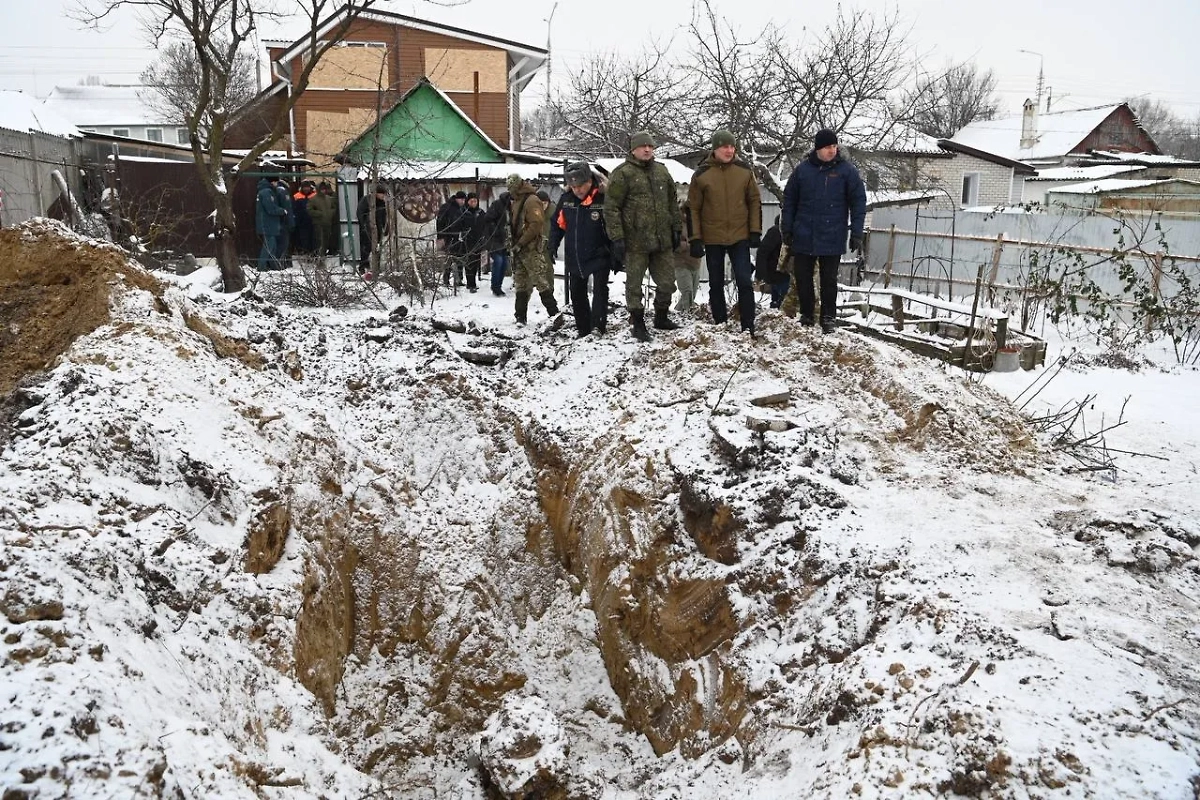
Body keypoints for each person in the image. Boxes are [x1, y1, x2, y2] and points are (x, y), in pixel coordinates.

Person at [781, 128, 867, 333]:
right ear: (818, 148)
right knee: (803, 277)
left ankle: (828, 317)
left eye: (834, 146)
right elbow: (790, 201)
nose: (832, 150)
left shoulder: (846, 171)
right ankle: (807, 314)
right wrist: (787, 230)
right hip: (804, 233)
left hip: (833, 234)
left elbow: (858, 202)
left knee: (829, 280)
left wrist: (856, 231)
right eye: (828, 147)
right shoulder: (802, 171)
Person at [603, 130, 682, 342]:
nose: (647, 150)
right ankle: (637, 323)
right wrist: (617, 237)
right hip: (635, 241)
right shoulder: (623, 173)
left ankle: (661, 317)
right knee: (634, 286)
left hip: (662, 240)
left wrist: (676, 228)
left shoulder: (662, 172)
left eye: (650, 146)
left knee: (667, 282)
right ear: (633, 149)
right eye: (642, 146)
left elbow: (672, 202)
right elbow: (611, 208)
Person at [687, 129, 763, 336]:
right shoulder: (702, 174)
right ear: (715, 149)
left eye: (732, 146)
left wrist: (755, 230)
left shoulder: (744, 170)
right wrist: (695, 238)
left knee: (744, 280)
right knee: (715, 282)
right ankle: (720, 321)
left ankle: (748, 325)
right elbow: (693, 207)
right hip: (713, 237)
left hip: (740, 235)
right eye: (725, 147)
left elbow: (754, 200)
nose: (730, 150)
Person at [549, 162, 613, 338]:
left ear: (589, 181)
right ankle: (583, 329)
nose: (577, 190)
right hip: (575, 254)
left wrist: (617, 250)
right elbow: (557, 225)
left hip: (600, 253)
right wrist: (552, 245)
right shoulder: (567, 200)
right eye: (573, 186)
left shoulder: (603, 198)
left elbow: (614, 227)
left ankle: (598, 327)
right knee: (577, 293)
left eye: (581, 186)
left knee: (600, 290)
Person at [506, 173, 559, 325]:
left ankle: (554, 313)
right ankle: (520, 317)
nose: (510, 192)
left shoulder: (531, 200)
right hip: (519, 248)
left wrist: (521, 243)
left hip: (530, 248)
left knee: (541, 281)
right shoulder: (518, 200)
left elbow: (536, 225)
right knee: (521, 283)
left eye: (511, 189)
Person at [477, 192, 511, 296]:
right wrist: (496, 230)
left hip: (503, 238)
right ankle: (495, 287)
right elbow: (487, 219)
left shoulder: (510, 208)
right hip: (493, 238)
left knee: (504, 263)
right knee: (499, 261)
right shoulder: (497, 205)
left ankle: (498, 285)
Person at [436, 190, 471, 288]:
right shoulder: (447, 207)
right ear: (457, 198)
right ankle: (446, 280)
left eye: (464, 200)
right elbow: (440, 222)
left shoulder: (461, 208)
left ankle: (458, 279)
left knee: (459, 258)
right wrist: (441, 236)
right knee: (449, 258)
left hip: (458, 236)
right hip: (448, 236)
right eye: (461, 199)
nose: (463, 201)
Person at [755, 215, 789, 308]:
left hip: (776, 273)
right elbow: (763, 252)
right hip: (781, 273)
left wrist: (760, 274)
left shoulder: (775, 231)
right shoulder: (777, 232)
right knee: (782, 300)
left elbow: (762, 252)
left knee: (778, 300)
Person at [675, 199, 701, 314]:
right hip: (680, 262)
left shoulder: (698, 222)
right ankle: (687, 317)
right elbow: (673, 243)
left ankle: (676, 313)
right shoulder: (676, 223)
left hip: (695, 262)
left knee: (692, 295)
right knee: (687, 292)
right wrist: (688, 245)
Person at [356, 184, 389, 277]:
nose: (383, 196)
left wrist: (386, 227)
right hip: (367, 228)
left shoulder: (381, 203)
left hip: (377, 229)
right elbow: (360, 212)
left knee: (377, 249)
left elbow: (384, 216)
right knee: (366, 248)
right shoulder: (366, 200)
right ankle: (363, 267)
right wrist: (363, 226)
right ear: (376, 193)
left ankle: (375, 268)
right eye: (381, 194)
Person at [255, 175, 285, 271]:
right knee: (268, 247)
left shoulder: (264, 191)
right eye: (276, 182)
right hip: (268, 224)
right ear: (272, 182)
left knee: (272, 246)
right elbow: (271, 209)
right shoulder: (267, 192)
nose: (277, 184)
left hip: (267, 223)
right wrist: (282, 211)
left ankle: (274, 266)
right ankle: (261, 267)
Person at [308, 181, 337, 258]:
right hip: (318, 223)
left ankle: (322, 255)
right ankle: (319, 257)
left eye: (324, 189)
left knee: (326, 241)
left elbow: (334, 208)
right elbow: (309, 210)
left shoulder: (329, 199)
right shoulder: (312, 199)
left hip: (327, 223)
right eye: (321, 189)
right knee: (319, 241)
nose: (323, 191)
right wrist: (319, 213)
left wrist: (330, 213)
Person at [536, 189, 555, 293]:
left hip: (548, 243)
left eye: (545, 203)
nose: (543, 205)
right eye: (540, 203)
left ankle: (549, 289)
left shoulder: (553, 212)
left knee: (547, 268)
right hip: (534, 243)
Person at [275, 179, 295, 268]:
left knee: (279, 244)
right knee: (283, 244)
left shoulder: (275, 190)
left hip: (277, 222)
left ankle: (279, 263)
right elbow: (288, 209)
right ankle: (281, 264)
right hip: (284, 223)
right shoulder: (283, 191)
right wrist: (291, 223)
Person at [292, 181, 315, 253]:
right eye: (304, 187)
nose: (306, 189)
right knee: (304, 240)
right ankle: (305, 253)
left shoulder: (315, 195)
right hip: (301, 223)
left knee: (314, 240)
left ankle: (313, 254)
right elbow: (294, 209)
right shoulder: (296, 196)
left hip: (313, 222)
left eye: (307, 187)